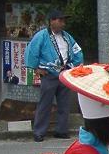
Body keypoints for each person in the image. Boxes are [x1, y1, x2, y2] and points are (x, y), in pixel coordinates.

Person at [26, 9, 84, 142]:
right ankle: (39, 131)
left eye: (64, 21)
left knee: (64, 103)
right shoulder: (41, 36)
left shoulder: (67, 37)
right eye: (60, 20)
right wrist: (36, 68)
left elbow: (77, 51)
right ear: (52, 21)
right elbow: (32, 51)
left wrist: (77, 66)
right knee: (45, 103)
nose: (63, 23)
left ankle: (61, 130)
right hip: (49, 73)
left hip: (64, 73)